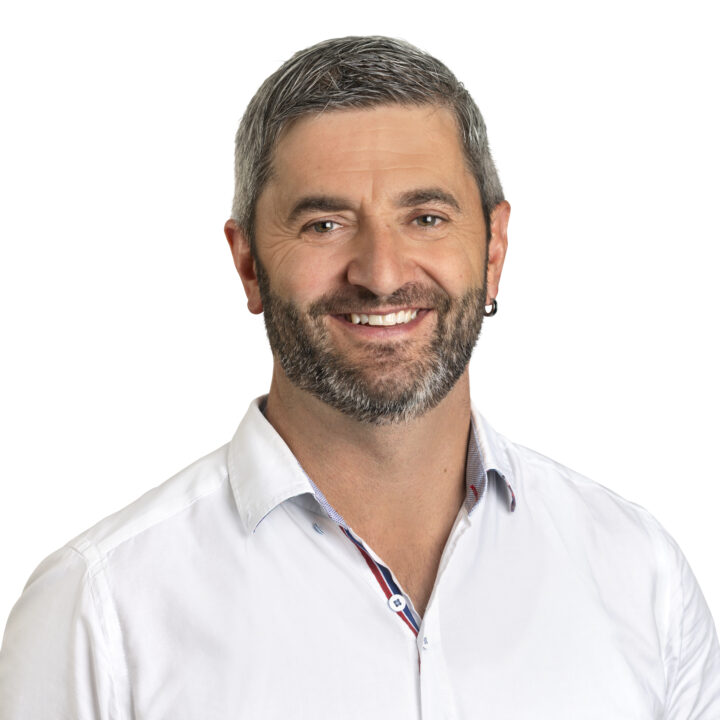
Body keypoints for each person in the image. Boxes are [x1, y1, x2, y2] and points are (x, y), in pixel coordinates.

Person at [1, 35, 718, 719]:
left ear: (495, 248)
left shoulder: (640, 575)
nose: (381, 274)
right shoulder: (100, 608)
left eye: (427, 218)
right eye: (324, 224)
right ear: (247, 263)